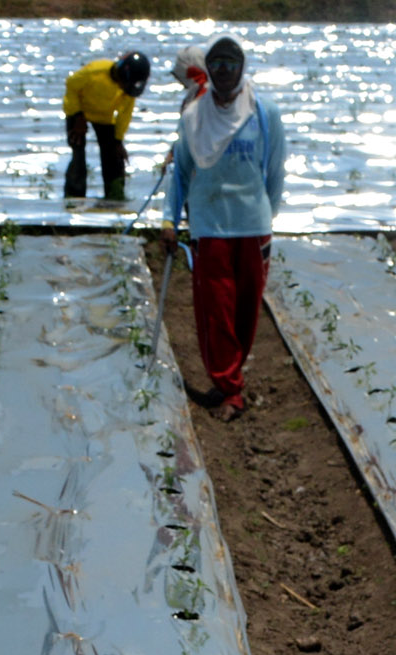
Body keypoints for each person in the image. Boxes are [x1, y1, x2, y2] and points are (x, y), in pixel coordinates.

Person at [162, 35, 285, 419]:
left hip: (252, 226)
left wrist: (266, 215)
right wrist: (170, 219)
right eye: (218, 66)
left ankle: (229, 376)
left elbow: (275, 171)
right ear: (209, 71)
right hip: (209, 225)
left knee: (246, 312)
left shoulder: (264, 113)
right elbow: (180, 173)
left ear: (242, 68)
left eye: (232, 65)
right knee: (216, 309)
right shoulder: (194, 118)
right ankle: (230, 387)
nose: (226, 73)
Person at [61, 51, 152, 203]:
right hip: (79, 112)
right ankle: (74, 198)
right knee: (78, 155)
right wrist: (77, 116)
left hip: (104, 117)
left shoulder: (128, 91)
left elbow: (124, 114)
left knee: (114, 157)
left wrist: (118, 140)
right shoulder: (95, 71)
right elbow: (71, 85)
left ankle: (114, 195)